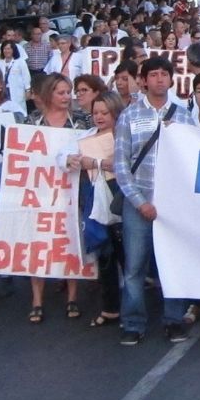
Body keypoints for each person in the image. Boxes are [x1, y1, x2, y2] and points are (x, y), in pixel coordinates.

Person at [113, 56, 194, 345]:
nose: (160, 79)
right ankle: (133, 323)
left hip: (173, 206)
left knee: (173, 264)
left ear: (171, 79)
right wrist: (139, 202)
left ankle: (174, 320)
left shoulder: (184, 116)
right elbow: (121, 164)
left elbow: (192, 160)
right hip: (139, 204)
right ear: (144, 80)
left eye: (164, 74)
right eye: (154, 74)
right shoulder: (129, 116)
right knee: (135, 267)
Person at [24, 73, 89, 323]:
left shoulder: (81, 121)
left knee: (69, 240)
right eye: (61, 92)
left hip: (72, 191)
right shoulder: (32, 121)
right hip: (39, 192)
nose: (66, 97)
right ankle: (36, 300)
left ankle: (72, 297)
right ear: (49, 94)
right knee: (37, 243)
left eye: (68, 92)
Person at [59, 91, 125, 329]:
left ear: (115, 113)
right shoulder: (86, 137)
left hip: (123, 199)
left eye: (104, 112)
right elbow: (61, 156)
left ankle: (133, 311)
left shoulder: (125, 136)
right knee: (105, 255)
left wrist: (99, 162)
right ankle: (110, 308)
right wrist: (71, 160)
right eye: (96, 112)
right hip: (97, 201)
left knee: (128, 258)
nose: (99, 117)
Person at [0, 40, 29, 108]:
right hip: (4, 92)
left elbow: (26, 77)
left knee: (18, 109)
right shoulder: (0, 62)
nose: (6, 51)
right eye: (4, 49)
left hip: (17, 91)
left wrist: (28, 90)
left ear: (13, 50)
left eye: (9, 49)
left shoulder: (20, 62)